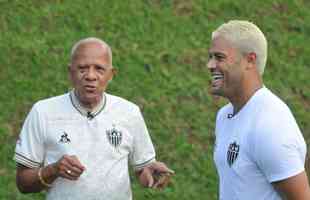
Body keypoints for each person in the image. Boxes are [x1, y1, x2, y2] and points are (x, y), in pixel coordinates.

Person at [14, 37, 174, 200]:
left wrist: (151, 172)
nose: (90, 76)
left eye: (99, 69)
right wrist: (53, 170)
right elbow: (23, 183)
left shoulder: (129, 112)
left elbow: (143, 168)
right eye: (82, 68)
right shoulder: (43, 112)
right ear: (70, 72)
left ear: (111, 74)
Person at [208, 20, 310, 200]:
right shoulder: (224, 116)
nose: (210, 65)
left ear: (250, 60)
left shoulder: (269, 125)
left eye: (219, 57)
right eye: (210, 57)